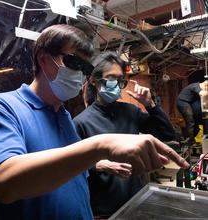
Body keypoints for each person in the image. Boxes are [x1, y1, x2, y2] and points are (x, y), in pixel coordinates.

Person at [0, 24, 189, 220]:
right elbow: (4, 185)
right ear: (43, 59)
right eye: (74, 63)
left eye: (84, 68)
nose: (78, 74)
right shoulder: (3, 107)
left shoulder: (63, 116)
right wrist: (101, 146)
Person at [73, 50, 176, 218]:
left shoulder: (130, 111)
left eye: (120, 79)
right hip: (104, 209)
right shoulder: (81, 122)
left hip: (136, 198)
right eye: (111, 78)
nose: (116, 83)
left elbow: (167, 134)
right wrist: (98, 165)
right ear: (93, 81)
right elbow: (73, 167)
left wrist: (150, 104)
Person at [177, 80, 208, 145]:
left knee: (196, 121)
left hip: (188, 102)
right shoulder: (196, 86)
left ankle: (192, 138)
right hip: (183, 102)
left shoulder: (198, 86)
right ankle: (190, 140)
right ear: (205, 85)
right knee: (190, 120)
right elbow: (202, 94)